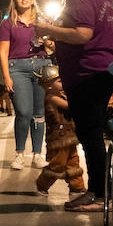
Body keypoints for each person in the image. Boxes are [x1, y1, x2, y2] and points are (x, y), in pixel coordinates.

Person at [36, 0, 113, 211]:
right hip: (104, 69)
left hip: (88, 72)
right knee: (95, 133)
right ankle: (103, 190)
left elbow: (83, 34)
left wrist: (49, 29)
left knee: (91, 135)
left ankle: (98, 194)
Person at [0, 0, 49, 169]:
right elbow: (3, 52)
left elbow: (53, 44)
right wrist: (6, 76)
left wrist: (48, 41)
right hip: (17, 69)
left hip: (41, 66)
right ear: (14, 1)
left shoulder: (41, 21)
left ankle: (37, 154)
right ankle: (19, 155)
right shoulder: (8, 24)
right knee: (24, 112)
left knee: (39, 113)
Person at [33, 68, 87, 204]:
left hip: (69, 136)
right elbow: (70, 106)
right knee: (57, 164)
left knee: (73, 163)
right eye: (59, 81)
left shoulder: (60, 95)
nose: (62, 83)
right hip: (58, 138)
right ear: (49, 86)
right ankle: (42, 184)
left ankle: (77, 187)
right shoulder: (52, 98)